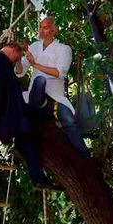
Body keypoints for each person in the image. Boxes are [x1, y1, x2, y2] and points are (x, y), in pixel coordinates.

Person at [0, 42, 61, 190]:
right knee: (29, 135)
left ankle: (37, 176)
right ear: (13, 50)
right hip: (10, 113)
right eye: (17, 58)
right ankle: (38, 177)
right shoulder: (0, 61)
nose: (16, 61)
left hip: (12, 111)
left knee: (36, 121)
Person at [16, 17, 90, 158]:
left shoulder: (64, 49)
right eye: (40, 27)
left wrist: (35, 65)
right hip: (35, 94)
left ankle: (85, 155)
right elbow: (20, 72)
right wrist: (19, 57)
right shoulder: (35, 46)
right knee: (38, 81)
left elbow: (59, 73)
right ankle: (25, 139)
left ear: (54, 30)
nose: (42, 30)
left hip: (54, 95)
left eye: (46, 27)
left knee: (69, 122)